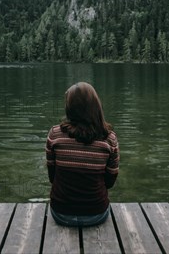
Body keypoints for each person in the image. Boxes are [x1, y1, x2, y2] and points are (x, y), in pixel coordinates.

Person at [45, 82, 120, 227]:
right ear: (96, 106)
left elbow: (52, 177)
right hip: (96, 214)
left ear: (69, 107)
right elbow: (109, 182)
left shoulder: (55, 134)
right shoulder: (110, 139)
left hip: (61, 213)